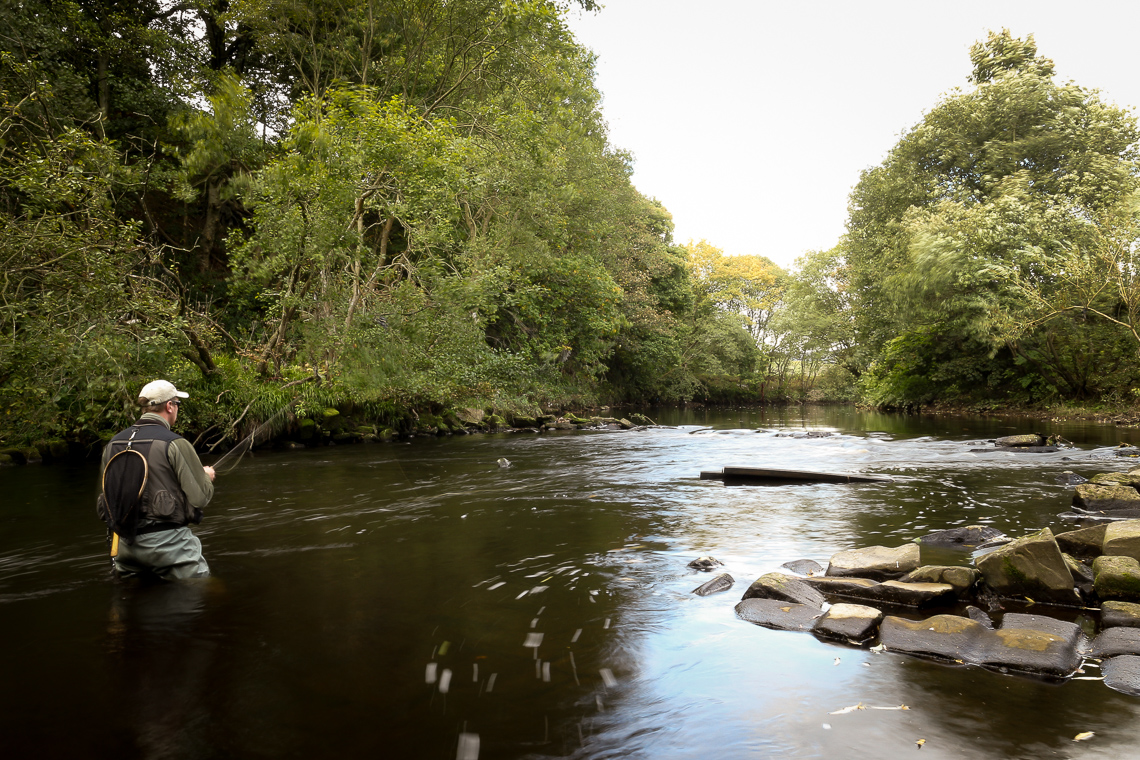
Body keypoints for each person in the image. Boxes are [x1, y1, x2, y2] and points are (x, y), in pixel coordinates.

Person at [97, 380, 216, 579]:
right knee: (206, 590)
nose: (177, 408)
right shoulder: (176, 443)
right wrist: (206, 476)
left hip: (125, 548)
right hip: (171, 547)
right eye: (177, 403)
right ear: (169, 406)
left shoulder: (113, 444)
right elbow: (200, 498)